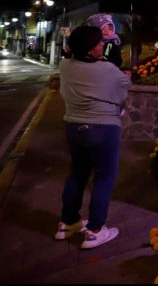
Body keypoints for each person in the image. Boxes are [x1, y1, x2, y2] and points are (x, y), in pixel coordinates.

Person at [56, 25, 131, 249]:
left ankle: (68, 223)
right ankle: (95, 230)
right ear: (90, 51)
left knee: (77, 174)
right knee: (104, 177)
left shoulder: (65, 65)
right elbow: (125, 84)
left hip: (73, 126)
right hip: (103, 128)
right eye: (98, 43)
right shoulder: (107, 70)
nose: (102, 45)